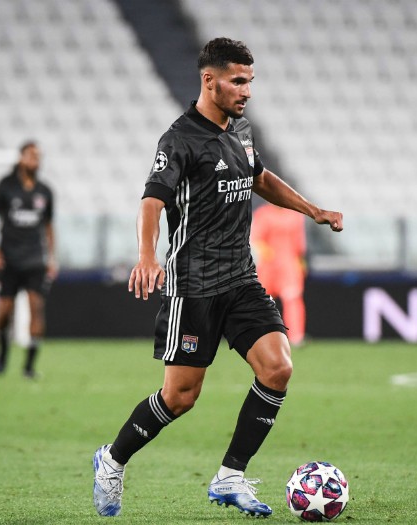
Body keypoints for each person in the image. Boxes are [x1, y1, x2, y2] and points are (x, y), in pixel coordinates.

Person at [92, 38, 343, 518]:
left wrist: (311, 209)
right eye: (238, 81)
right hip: (193, 285)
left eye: (250, 81)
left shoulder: (241, 128)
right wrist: (147, 256)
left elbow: (259, 176)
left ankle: (229, 476)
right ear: (210, 80)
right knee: (180, 397)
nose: (247, 91)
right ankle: (112, 459)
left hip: (240, 278)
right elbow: (152, 200)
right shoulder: (179, 138)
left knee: (278, 368)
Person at [0, 140, 56, 379]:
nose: (36, 160)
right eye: (31, 155)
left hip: (34, 260)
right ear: (21, 158)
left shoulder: (45, 192)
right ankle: (3, 349)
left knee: (37, 307)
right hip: (9, 260)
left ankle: (29, 367)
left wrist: (52, 258)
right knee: (5, 311)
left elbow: (48, 226)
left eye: (38, 156)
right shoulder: (6, 186)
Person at [251, 203, 308, 346]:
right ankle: (260, 334)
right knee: (265, 301)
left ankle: (295, 336)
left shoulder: (294, 215)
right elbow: (257, 240)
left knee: (291, 299)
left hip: (287, 265)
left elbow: (299, 245)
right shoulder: (264, 214)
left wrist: (300, 262)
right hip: (271, 265)